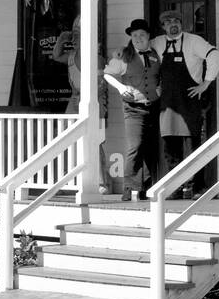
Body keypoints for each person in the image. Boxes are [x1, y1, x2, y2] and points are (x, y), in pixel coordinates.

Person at [151, 9, 219, 198]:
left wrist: (205, 83)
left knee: (193, 147)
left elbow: (214, 55)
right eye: (168, 22)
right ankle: (174, 188)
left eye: (177, 21)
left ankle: (196, 187)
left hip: (190, 102)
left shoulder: (194, 41)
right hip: (168, 103)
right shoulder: (156, 43)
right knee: (170, 148)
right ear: (163, 25)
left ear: (181, 24)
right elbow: (139, 52)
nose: (173, 24)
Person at [102, 19, 161, 199]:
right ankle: (129, 188)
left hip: (155, 106)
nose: (138, 38)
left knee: (151, 148)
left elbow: (161, 75)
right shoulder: (124, 56)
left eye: (141, 35)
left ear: (148, 36)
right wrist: (121, 88)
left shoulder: (157, 53)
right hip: (133, 108)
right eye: (134, 35)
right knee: (135, 147)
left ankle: (146, 188)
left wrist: (160, 89)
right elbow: (107, 74)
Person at [51, 15, 110, 191]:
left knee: (95, 140)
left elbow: (102, 84)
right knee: (69, 137)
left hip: (93, 100)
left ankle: (101, 182)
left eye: (79, 36)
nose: (75, 40)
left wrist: (86, 97)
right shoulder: (71, 56)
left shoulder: (96, 57)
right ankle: (74, 178)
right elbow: (56, 55)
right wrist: (62, 38)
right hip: (74, 98)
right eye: (74, 36)